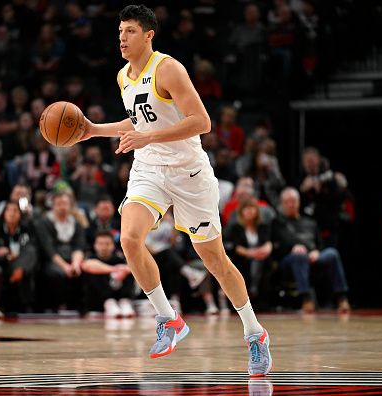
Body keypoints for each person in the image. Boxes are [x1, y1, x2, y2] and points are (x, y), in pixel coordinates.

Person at [80, 5, 271, 376]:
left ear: (149, 35)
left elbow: (201, 122)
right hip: (150, 167)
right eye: (120, 31)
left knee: (214, 260)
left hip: (189, 173)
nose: (122, 37)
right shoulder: (123, 77)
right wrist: (93, 129)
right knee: (130, 239)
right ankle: (168, 319)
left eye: (131, 31)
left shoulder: (168, 68)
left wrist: (145, 136)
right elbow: (137, 121)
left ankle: (254, 332)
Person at [272, 187, 351, 313]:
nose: (291, 204)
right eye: (287, 202)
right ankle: (306, 299)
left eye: (293, 201)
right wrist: (292, 248)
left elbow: (320, 244)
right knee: (299, 256)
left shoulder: (310, 222)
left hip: (312, 259)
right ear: (282, 204)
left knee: (332, 253)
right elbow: (276, 247)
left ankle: (341, 297)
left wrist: (316, 252)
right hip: (289, 262)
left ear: (299, 202)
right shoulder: (277, 223)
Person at [81, 231, 135, 317]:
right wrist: (114, 270)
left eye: (107, 244)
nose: (104, 247)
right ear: (95, 245)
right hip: (96, 302)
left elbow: (133, 267)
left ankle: (125, 301)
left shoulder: (119, 259)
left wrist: (124, 270)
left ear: (113, 245)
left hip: (118, 296)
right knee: (95, 271)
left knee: (129, 271)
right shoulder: (91, 257)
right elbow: (87, 266)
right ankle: (109, 302)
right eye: (100, 244)